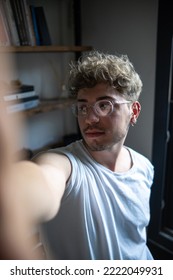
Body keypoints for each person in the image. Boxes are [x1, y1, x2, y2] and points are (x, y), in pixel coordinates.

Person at [0, 50, 154, 260]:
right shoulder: (63, 165)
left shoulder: (145, 167)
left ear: (133, 112)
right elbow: (41, 182)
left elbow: (136, 240)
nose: (89, 118)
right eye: (83, 107)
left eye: (104, 105)